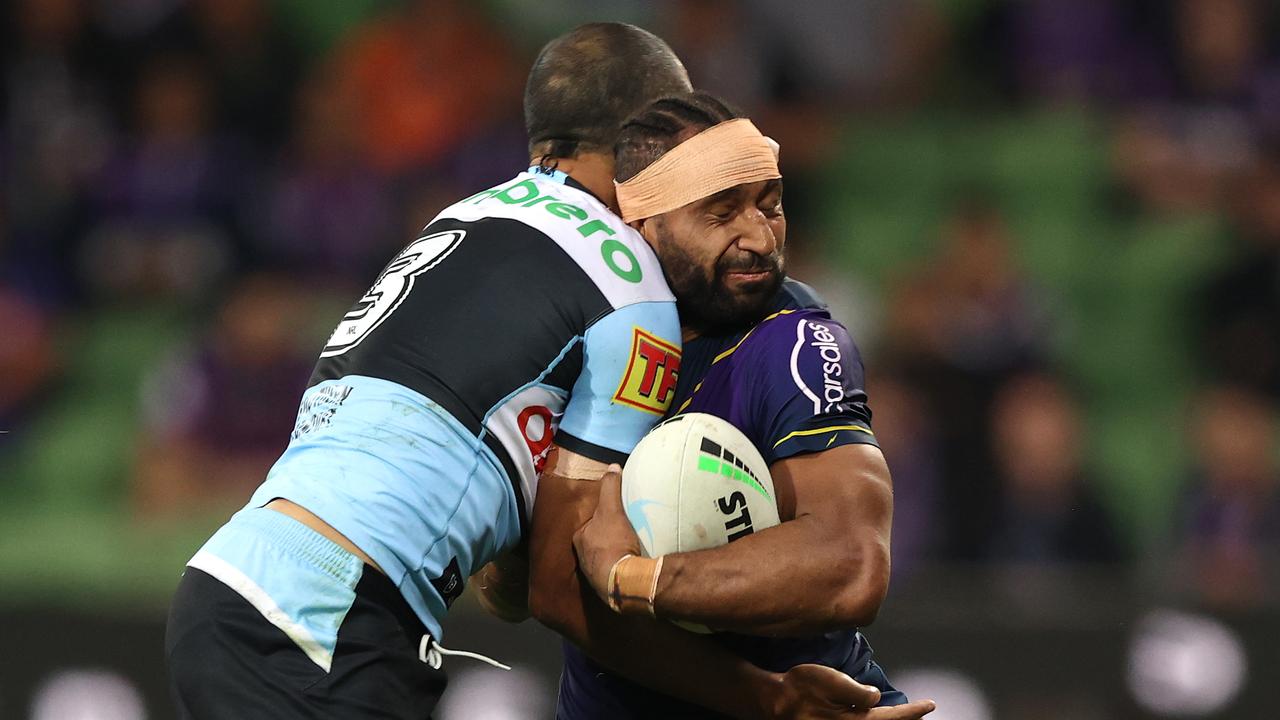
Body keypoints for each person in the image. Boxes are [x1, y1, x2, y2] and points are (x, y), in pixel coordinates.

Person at [165, 24, 882, 720]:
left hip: (247, 580)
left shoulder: (465, 218)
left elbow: (501, 578)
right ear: (642, 144)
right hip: (328, 613)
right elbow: (556, 591)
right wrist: (767, 697)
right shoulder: (626, 281)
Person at [534, 92, 934, 719]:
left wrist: (635, 579)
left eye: (770, 205)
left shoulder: (794, 342)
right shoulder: (569, 343)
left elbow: (849, 563)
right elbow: (541, 589)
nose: (759, 236)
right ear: (642, 227)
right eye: (721, 214)